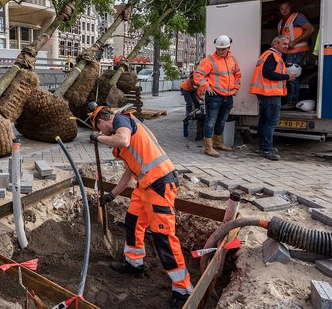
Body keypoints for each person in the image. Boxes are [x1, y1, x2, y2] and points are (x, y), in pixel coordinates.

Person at [89, 103, 194, 309]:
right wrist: (112, 195)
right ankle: (134, 263)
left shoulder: (121, 120)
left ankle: (183, 290)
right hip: (144, 185)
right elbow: (129, 173)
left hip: (160, 184)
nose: (100, 133)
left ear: (102, 122)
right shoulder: (124, 143)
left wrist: (98, 138)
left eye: (98, 129)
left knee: (163, 238)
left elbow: (122, 139)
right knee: (133, 221)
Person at [249, 36, 296, 161]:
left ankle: (263, 146)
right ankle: (267, 149)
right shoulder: (272, 56)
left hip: (266, 92)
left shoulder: (269, 55)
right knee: (271, 122)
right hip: (270, 93)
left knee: (265, 120)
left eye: (287, 44)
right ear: (275, 44)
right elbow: (268, 73)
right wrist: (287, 77)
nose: (287, 46)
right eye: (284, 44)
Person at [193, 35, 241, 157]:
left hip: (228, 96)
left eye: (223, 49)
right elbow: (198, 74)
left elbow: (237, 75)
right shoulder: (210, 60)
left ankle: (218, 142)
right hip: (214, 96)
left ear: (228, 48)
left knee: (221, 121)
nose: (220, 51)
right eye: (218, 49)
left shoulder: (233, 60)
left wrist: (236, 88)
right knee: (210, 121)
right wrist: (206, 86)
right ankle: (208, 147)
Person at [277, 1, 315, 109]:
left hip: (297, 51)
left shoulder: (297, 17)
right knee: (288, 77)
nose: (284, 10)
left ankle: (292, 102)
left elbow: (311, 29)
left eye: (286, 8)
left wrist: (294, 42)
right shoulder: (281, 22)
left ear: (291, 8)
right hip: (287, 52)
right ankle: (288, 100)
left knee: (292, 76)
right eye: (282, 9)